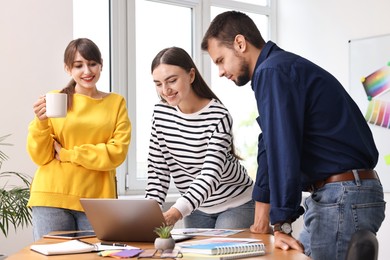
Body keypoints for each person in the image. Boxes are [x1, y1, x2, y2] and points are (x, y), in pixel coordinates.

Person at [201, 10, 385, 260]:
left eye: (220, 60)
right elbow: (268, 144)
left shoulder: (273, 71)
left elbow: (282, 149)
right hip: (345, 192)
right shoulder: (277, 69)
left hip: (342, 195)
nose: (220, 71)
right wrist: (264, 217)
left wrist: (283, 221)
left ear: (240, 43)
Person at [27, 38, 131, 241]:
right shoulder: (55, 99)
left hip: (97, 202)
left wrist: (67, 154)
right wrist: (40, 123)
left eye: (92, 63)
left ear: (101, 64)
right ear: (68, 68)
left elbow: (117, 153)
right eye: (78, 65)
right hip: (51, 195)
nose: (87, 71)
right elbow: (41, 157)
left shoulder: (115, 103)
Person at [145, 46, 254, 229]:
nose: (165, 90)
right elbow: (158, 171)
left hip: (236, 203)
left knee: (221, 254)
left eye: (171, 80)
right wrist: (149, 213)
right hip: (197, 207)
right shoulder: (160, 113)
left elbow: (210, 174)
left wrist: (176, 212)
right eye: (158, 84)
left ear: (191, 75)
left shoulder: (218, 115)